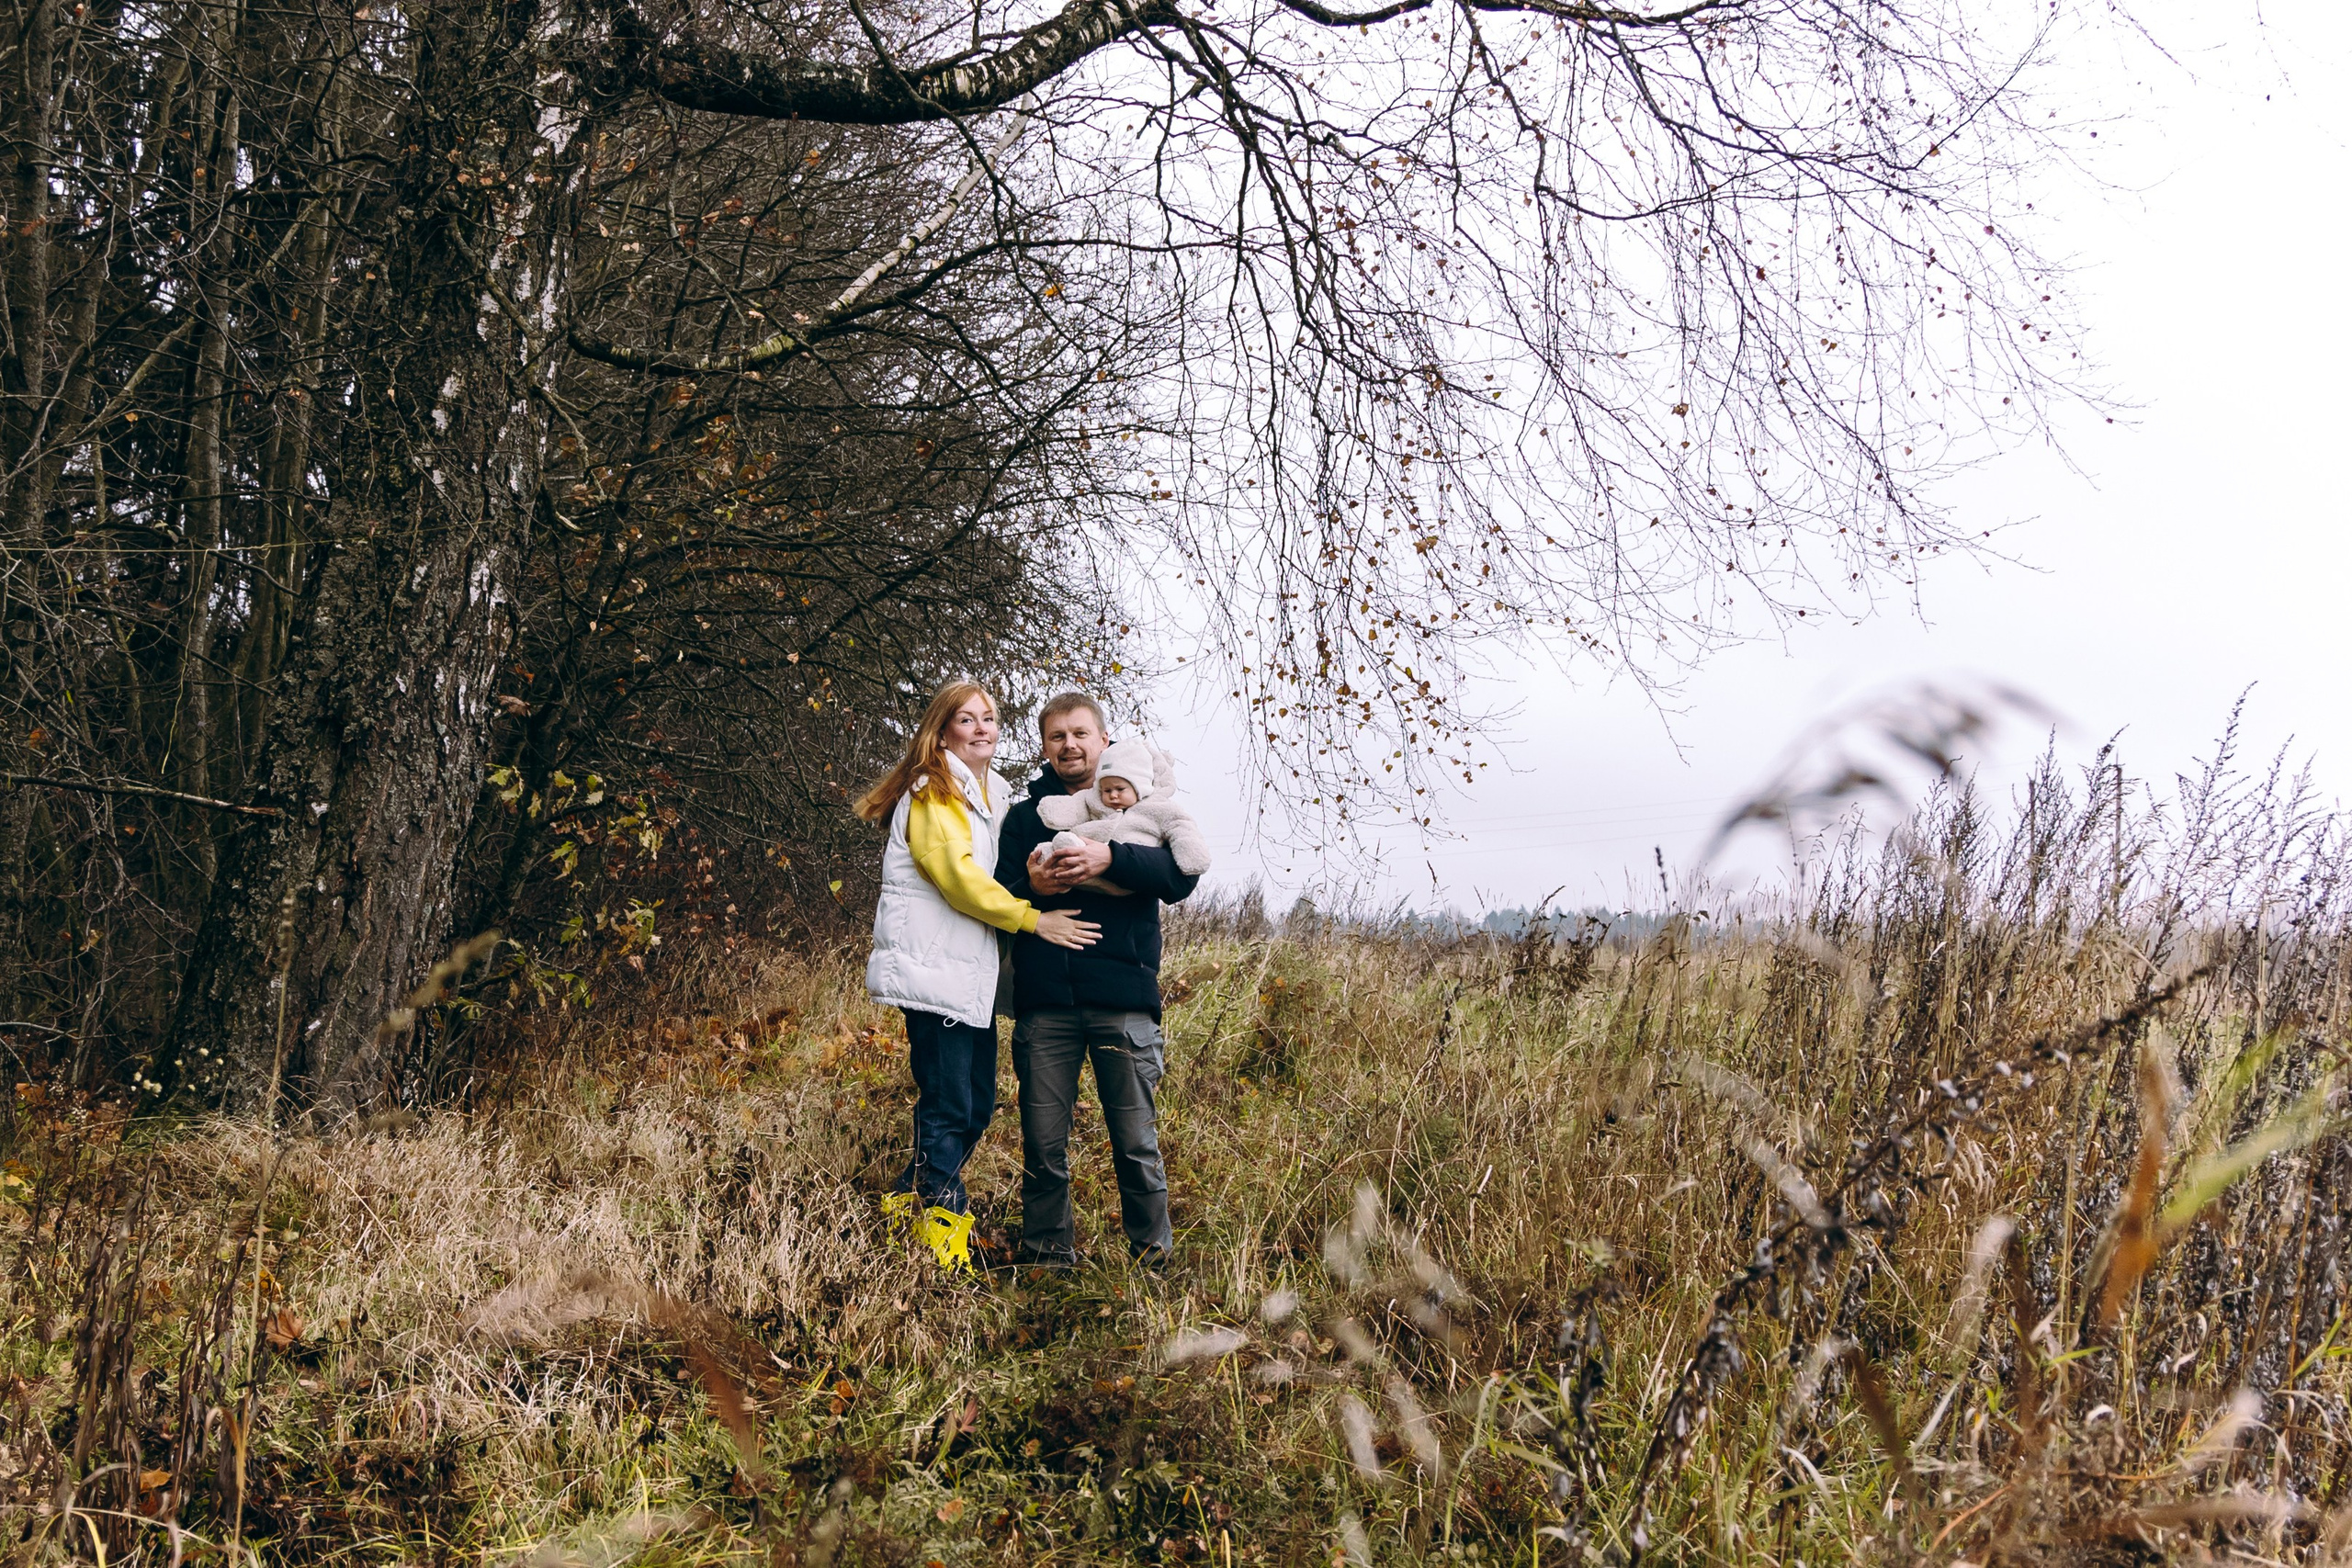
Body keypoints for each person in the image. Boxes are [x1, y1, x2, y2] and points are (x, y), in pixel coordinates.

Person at [855, 682, 1100, 1273]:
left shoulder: (990, 794)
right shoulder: (933, 790)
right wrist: (1033, 919)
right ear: (942, 733)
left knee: (976, 1105)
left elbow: (994, 876)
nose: (982, 728)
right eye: (967, 719)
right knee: (949, 1106)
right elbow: (959, 880)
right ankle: (942, 1241)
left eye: (989, 718)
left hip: (968, 976)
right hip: (935, 971)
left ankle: (904, 1206)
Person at [995, 694, 1203, 1268]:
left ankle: (1151, 1262)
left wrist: (1111, 859)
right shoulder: (1027, 816)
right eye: (1057, 736)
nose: (1070, 745)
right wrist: (1034, 888)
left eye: (1080, 733)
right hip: (1044, 1005)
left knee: (1136, 1143)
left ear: (1103, 740)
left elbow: (1181, 878)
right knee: (1042, 1144)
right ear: (1044, 746)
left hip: (1124, 1000)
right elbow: (999, 895)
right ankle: (1047, 1258)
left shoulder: (1144, 805)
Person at [1038, 737, 1214, 895]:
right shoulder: (1095, 800)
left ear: (1139, 787)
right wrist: (1053, 810)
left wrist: (1192, 855)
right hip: (1085, 860)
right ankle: (1061, 859)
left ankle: (1068, 862)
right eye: (1107, 790)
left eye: (1120, 789)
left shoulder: (1159, 809)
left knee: (1073, 857)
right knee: (1053, 851)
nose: (1113, 795)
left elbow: (1182, 827)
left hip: (1129, 870)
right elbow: (1075, 806)